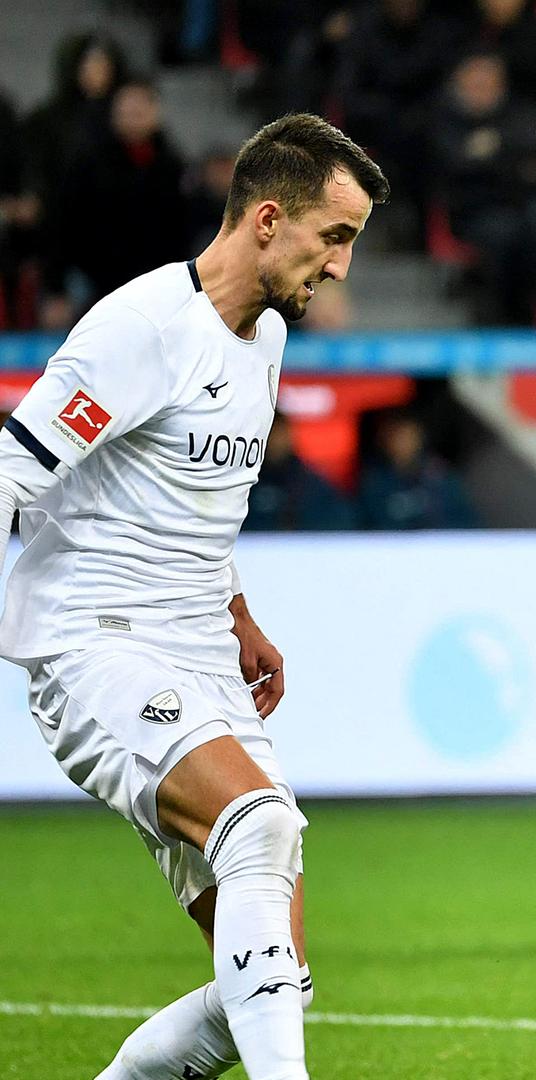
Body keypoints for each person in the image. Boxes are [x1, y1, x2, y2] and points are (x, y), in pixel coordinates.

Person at [0, 113, 385, 1080]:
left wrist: (239, 615)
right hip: (95, 642)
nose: (341, 266)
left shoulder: (265, 338)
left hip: (201, 650)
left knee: (280, 978)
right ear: (268, 219)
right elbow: (11, 472)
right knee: (260, 822)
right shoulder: (139, 331)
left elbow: (191, 504)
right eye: (335, 236)